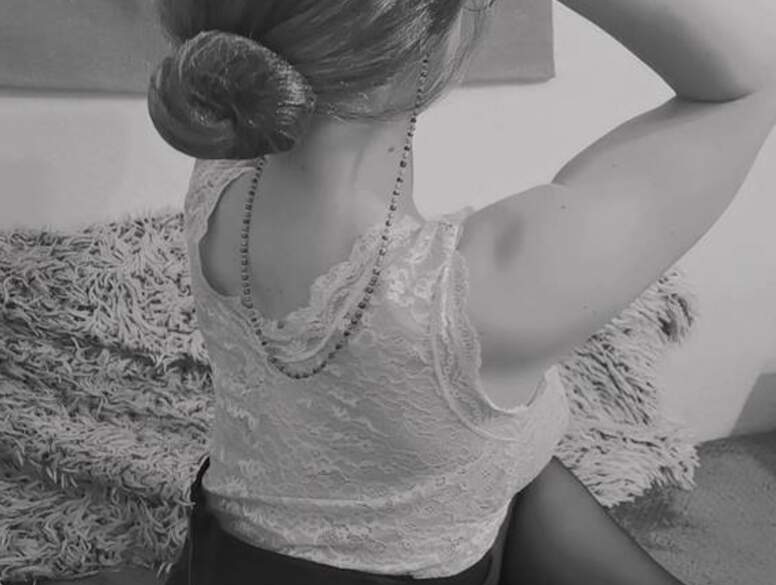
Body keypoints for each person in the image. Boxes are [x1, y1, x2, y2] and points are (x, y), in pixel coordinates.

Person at [146, 0, 776, 583]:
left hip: (220, 562)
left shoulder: (218, 179)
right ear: (424, 43)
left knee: (538, 488)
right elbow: (754, 82)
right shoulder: (486, 289)